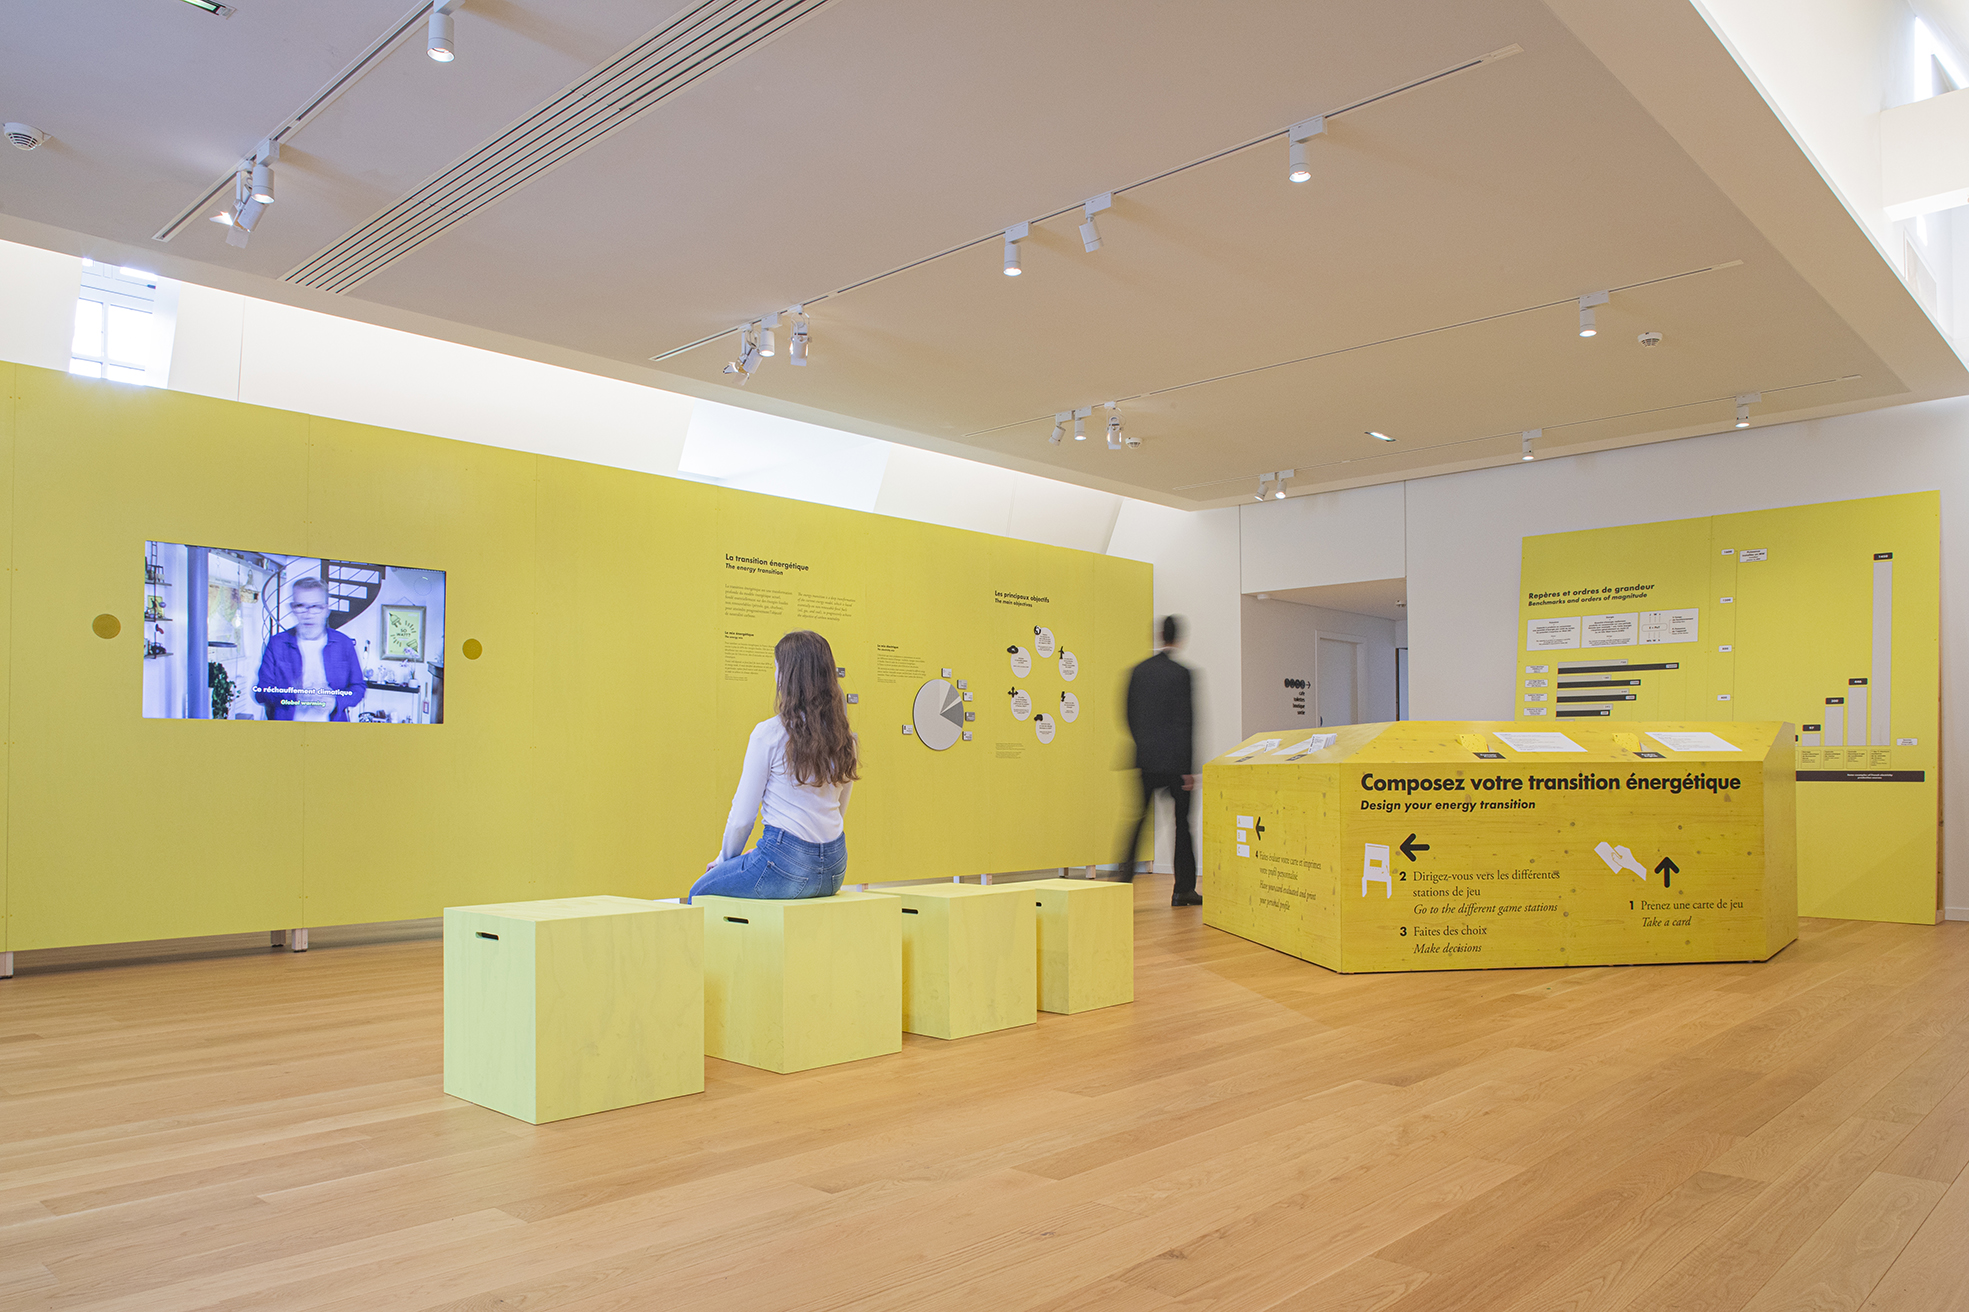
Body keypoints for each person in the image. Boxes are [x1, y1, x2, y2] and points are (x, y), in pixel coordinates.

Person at [689, 630, 858, 902]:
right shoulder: (844, 738)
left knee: (699, 892)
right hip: (834, 868)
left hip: (784, 866)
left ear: (787, 677)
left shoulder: (769, 734)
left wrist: (725, 861)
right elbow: (839, 808)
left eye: (777, 669)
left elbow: (742, 819)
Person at [1117, 614, 1200, 906]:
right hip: (1176, 763)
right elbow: (1187, 722)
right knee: (1182, 825)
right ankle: (1183, 890)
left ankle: (1121, 883)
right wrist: (1188, 769)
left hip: (1146, 759)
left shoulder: (1138, 672)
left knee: (1137, 821)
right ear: (1179, 638)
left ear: (1159, 635)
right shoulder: (1182, 674)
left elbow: (1126, 713)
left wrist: (1142, 745)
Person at [253, 575, 365, 723]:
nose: (308, 614)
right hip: (286, 730)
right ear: (292, 608)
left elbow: (358, 688)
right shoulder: (277, 643)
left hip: (333, 731)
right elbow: (261, 693)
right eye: (300, 606)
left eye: (316, 607)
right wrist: (293, 695)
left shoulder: (344, 643)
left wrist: (336, 702)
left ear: (326, 610)